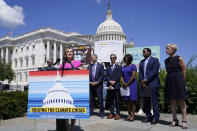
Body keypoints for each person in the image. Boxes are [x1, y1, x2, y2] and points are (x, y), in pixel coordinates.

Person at [58, 47, 82, 131]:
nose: (69, 53)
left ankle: (72, 126)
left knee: (73, 109)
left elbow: (82, 75)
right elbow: (59, 77)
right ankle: (65, 126)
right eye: (67, 51)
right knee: (65, 108)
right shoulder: (62, 65)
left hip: (75, 89)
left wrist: (80, 71)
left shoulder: (78, 63)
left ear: (73, 53)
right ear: (65, 53)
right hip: (65, 90)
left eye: (71, 51)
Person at [165, 43, 187, 129]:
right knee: (172, 101)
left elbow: (184, 71)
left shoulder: (179, 58)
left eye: (168, 48)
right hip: (169, 80)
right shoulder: (166, 60)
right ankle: (174, 119)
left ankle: (184, 121)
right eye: (166, 48)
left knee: (182, 100)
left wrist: (182, 81)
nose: (166, 50)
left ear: (173, 50)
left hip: (179, 80)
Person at [139, 48, 160, 124]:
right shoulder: (141, 62)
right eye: (143, 52)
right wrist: (142, 80)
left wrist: (146, 79)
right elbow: (140, 72)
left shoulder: (155, 60)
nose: (143, 53)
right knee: (146, 102)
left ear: (149, 52)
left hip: (153, 83)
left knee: (154, 102)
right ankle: (148, 116)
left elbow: (155, 71)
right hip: (144, 84)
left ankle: (156, 117)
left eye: (144, 52)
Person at [121, 54, 137, 121]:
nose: (125, 59)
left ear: (130, 58)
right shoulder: (123, 67)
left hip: (132, 85)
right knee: (127, 100)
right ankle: (129, 114)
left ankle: (133, 115)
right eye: (125, 58)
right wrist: (123, 83)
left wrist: (127, 83)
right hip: (125, 85)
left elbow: (133, 76)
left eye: (127, 58)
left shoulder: (133, 66)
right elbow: (121, 76)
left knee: (132, 100)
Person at [89, 54, 104, 118]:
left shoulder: (100, 65)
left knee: (100, 99)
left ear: (96, 58)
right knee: (91, 99)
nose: (92, 59)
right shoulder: (89, 66)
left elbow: (102, 75)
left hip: (98, 85)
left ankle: (101, 113)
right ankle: (91, 111)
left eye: (93, 58)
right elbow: (87, 74)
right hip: (91, 85)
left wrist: (97, 82)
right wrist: (90, 82)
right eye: (91, 58)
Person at [106, 54, 121, 120]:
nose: (112, 59)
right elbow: (106, 75)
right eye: (111, 58)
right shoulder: (108, 67)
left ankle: (117, 114)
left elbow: (118, 75)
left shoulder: (118, 67)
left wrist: (114, 81)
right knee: (111, 101)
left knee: (117, 101)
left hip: (116, 86)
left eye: (113, 58)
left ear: (115, 59)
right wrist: (110, 81)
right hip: (109, 86)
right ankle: (112, 113)